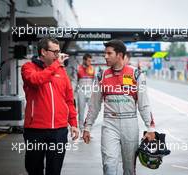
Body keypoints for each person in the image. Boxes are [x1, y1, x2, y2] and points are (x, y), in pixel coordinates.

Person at [82, 39, 156, 175]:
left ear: (120, 55)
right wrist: (87, 127)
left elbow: (144, 104)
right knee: (108, 165)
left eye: (109, 53)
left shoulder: (137, 75)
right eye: (105, 53)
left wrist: (150, 128)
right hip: (110, 124)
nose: (105, 56)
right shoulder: (101, 75)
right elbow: (94, 105)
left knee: (129, 169)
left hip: (130, 124)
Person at [21, 37, 79, 175]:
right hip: (35, 130)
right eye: (55, 52)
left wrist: (74, 123)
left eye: (59, 52)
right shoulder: (28, 68)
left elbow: (69, 99)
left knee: (54, 170)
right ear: (43, 52)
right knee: (34, 169)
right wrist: (55, 66)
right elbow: (36, 80)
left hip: (59, 131)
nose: (58, 56)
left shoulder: (62, 71)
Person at [76, 53, 95, 132]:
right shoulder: (78, 68)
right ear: (84, 60)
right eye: (88, 61)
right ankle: (81, 129)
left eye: (91, 61)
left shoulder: (92, 68)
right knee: (81, 110)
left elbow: (94, 80)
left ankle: (88, 129)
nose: (90, 62)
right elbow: (75, 81)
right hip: (81, 90)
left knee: (91, 110)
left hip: (90, 90)